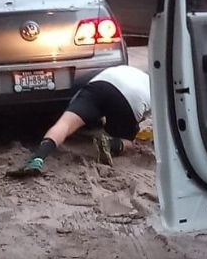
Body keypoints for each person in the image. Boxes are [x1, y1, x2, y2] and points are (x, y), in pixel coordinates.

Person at [8, 66, 151, 177]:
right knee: (129, 142)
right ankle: (112, 143)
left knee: (64, 124)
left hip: (98, 86)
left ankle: (37, 158)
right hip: (131, 99)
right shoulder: (155, 87)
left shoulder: (122, 70)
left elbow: (86, 103)